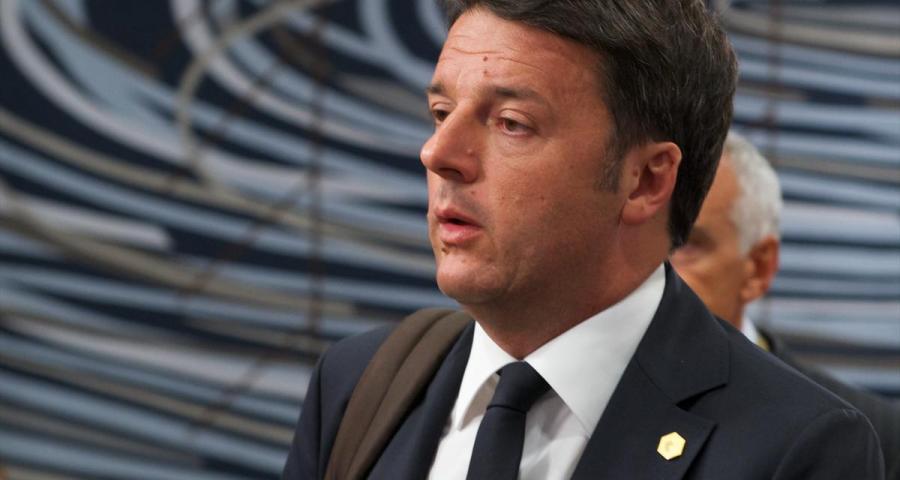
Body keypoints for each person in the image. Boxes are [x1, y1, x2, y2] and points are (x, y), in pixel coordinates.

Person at [283, 1, 884, 478]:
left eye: (511, 123)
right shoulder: (356, 384)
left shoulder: (797, 448)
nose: (438, 153)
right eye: (442, 112)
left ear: (646, 181)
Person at [672, 131, 900, 480]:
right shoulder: (592, 394)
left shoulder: (869, 438)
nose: (654, 269)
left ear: (758, 267)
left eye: (686, 244)